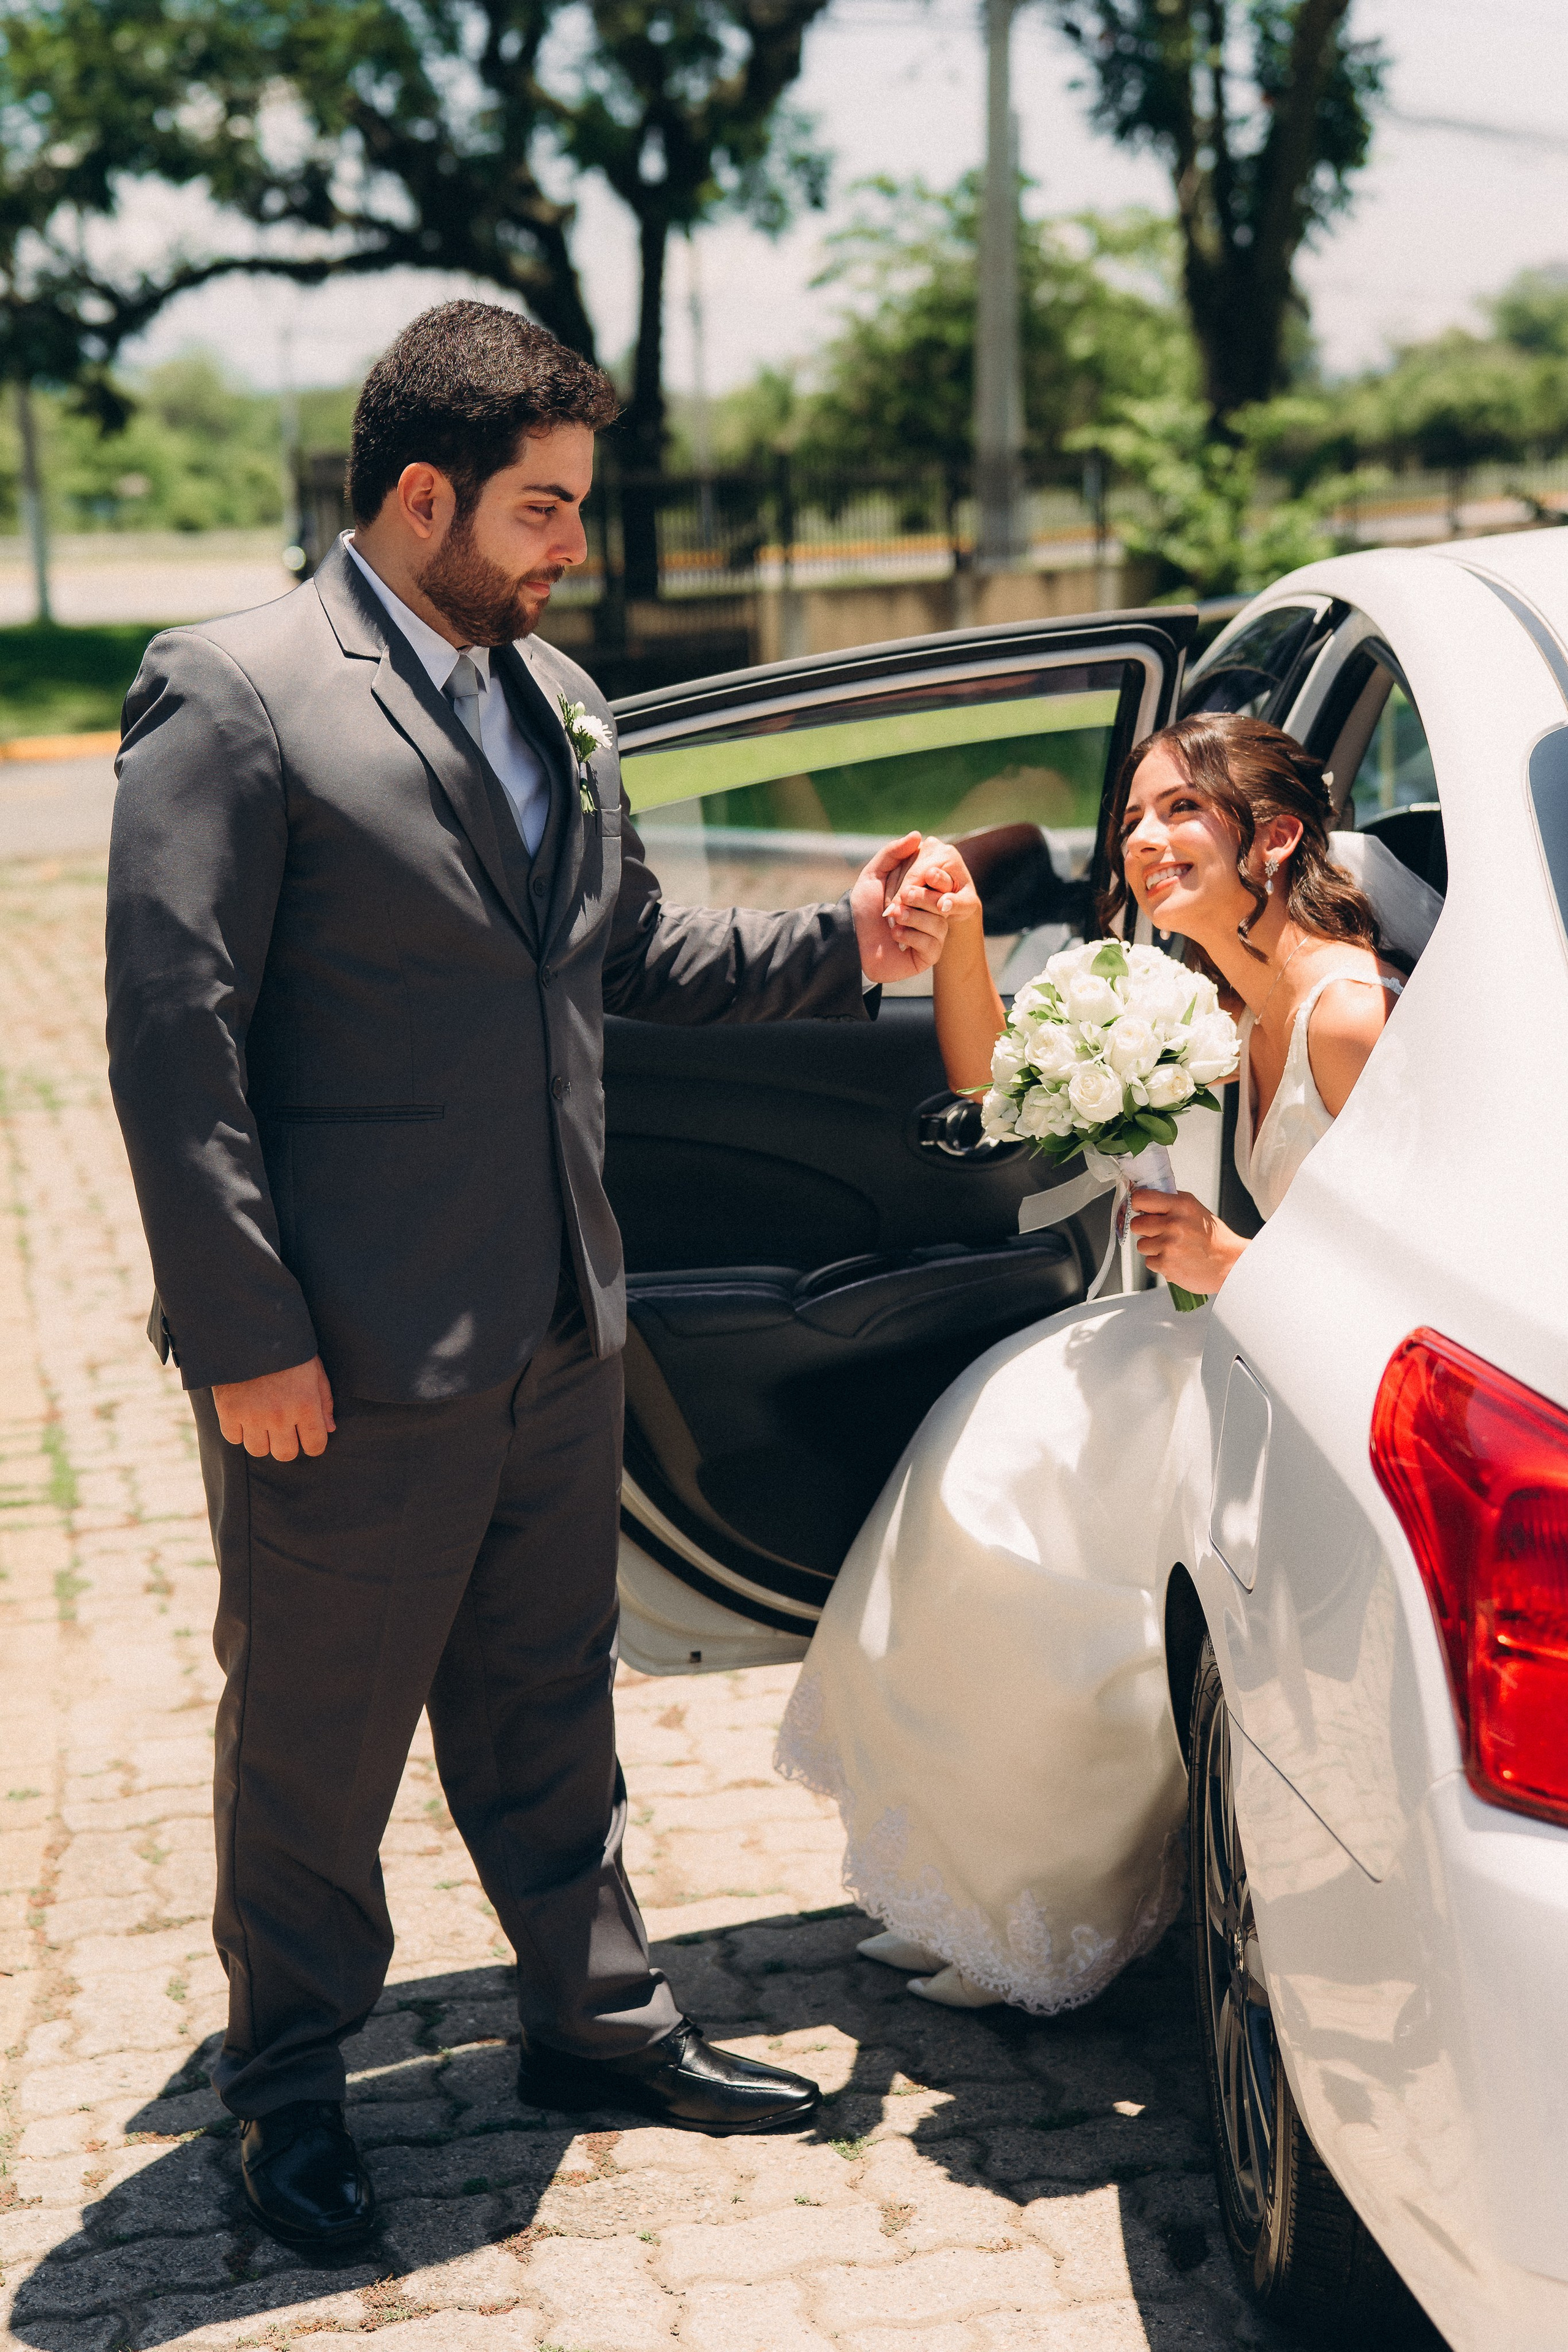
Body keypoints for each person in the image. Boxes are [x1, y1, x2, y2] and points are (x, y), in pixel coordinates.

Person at [105, 300, 950, 2252]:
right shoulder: (229, 695)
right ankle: (289, 2090)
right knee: (316, 1740)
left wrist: (853, 935)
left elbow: (627, 964)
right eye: (547, 509)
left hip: (566, 1319)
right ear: (425, 498)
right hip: (346, 1355)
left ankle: (597, 2023)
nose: (577, 546)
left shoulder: (555, 696)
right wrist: (247, 1336)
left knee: (551, 1702)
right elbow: (177, 1038)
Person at [776, 713, 1407, 2013]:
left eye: (1181, 811)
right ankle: (972, 1880)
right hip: (1214, 1346)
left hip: (1308, 1378)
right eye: (1130, 817)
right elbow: (1002, 1090)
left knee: (1029, 1503)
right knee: (980, 1454)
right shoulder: (1206, 992)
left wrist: (1237, 1263)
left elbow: (1429, 1265)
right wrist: (956, 937)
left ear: (1274, 837)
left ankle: (1043, 1907)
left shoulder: (1349, 1015)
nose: (1142, 839)